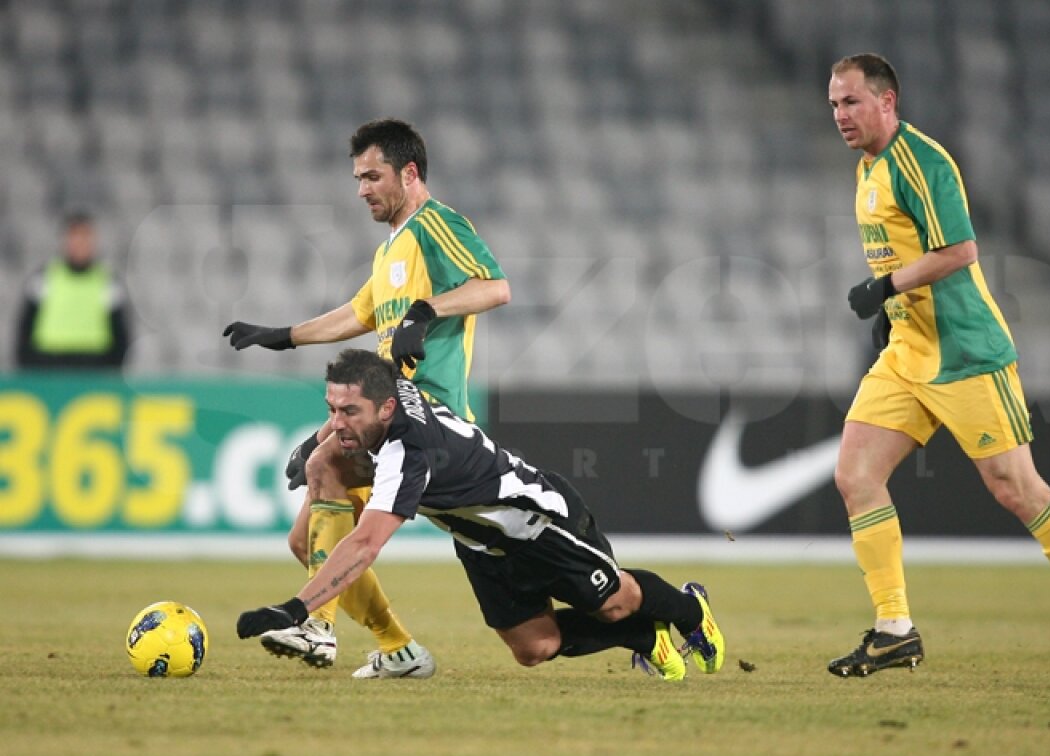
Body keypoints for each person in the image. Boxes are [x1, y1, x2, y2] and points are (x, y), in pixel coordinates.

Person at [826, 53, 1050, 682]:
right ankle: (894, 630)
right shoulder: (867, 168)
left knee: (1016, 490)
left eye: (852, 101)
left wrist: (885, 287)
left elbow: (960, 250)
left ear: (888, 101)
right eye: (835, 103)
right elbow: (905, 249)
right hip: (909, 350)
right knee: (855, 475)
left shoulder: (922, 162)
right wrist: (893, 310)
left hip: (966, 352)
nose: (840, 114)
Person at [236, 349, 726, 682]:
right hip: (481, 541)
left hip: (539, 525)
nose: (337, 423)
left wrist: (297, 607)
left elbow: (365, 545)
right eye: (331, 410)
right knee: (534, 649)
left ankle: (689, 610)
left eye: (349, 413)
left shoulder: (409, 452)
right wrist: (313, 444)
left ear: (385, 409)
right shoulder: (391, 392)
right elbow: (391, 366)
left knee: (615, 602)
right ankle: (642, 636)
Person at [223, 119, 511, 678]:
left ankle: (316, 626)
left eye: (372, 176)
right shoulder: (389, 252)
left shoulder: (437, 224)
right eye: (358, 178)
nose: (362, 190)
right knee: (305, 539)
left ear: (409, 173)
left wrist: (426, 311)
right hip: (388, 414)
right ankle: (398, 649)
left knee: (325, 467)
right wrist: (284, 335)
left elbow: (495, 286)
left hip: (430, 414)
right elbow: (358, 315)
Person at [16, 212, 130, 369]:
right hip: (49, 366)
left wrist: (113, 368)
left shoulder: (108, 282)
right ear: (65, 241)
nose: (80, 243)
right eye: (75, 237)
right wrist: (28, 366)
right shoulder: (43, 278)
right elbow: (25, 327)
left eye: (85, 237)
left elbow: (120, 331)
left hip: (94, 366)